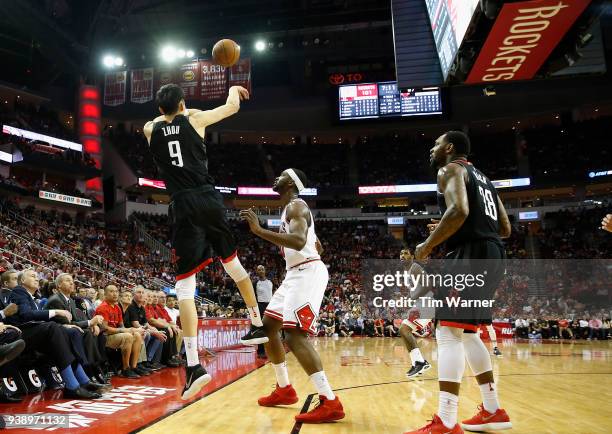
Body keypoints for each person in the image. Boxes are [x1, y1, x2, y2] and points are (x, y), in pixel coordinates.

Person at [143, 83, 267, 399]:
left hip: (181, 204)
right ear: (183, 104)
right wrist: (233, 91)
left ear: (160, 109)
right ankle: (256, 322)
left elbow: (162, 121)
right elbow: (232, 108)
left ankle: (195, 366)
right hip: (208, 199)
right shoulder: (194, 118)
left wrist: (170, 115)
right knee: (233, 264)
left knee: (185, 287)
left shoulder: (149, 129)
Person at [406, 131, 512, 433]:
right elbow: (503, 227)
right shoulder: (485, 179)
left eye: (436, 144)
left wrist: (427, 244)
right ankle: (493, 410)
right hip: (493, 253)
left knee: (448, 332)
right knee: (468, 333)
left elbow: (460, 210)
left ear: (449, 148)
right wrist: (448, 227)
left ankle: (446, 420)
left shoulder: (449, 169)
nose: (432, 149)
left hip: (469, 255)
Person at [241, 168, 345, 424]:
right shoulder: (292, 209)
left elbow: (299, 242)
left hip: (307, 272)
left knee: (295, 335)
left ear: (291, 182)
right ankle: (284, 389)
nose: (275, 178)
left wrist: (258, 230)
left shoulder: (296, 206)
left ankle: (330, 401)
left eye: (281, 175)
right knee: (268, 328)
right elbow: (314, 243)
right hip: (295, 273)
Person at [8, 269, 104, 399]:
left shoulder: (32, 297)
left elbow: (38, 320)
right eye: (32, 276)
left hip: (34, 332)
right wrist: (56, 312)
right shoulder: (19, 291)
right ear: (22, 281)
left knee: (68, 331)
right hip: (20, 333)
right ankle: (72, 385)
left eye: (37, 276)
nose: (36, 278)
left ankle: (83, 380)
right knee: (54, 327)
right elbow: (26, 315)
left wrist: (64, 325)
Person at [45, 274, 109, 385]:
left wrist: (91, 324)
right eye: (67, 280)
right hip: (58, 335)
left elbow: (76, 319)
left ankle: (95, 368)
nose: (71, 283)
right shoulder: (55, 300)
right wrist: (90, 322)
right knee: (87, 334)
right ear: (59, 285)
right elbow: (67, 324)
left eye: (72, 281)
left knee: (94, 334)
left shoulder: (70, 300)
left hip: (69, 331)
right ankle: (90, 370)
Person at [96, 285, 146, 379]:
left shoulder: (117, 307)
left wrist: (130, 330)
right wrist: (125, 330)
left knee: (137, 335)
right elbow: (104, 329)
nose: (115, 293)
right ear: (105, 294)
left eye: (116, 291)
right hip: (104, 337)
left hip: (115, 334)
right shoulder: (102, 307)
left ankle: (133, 366)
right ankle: (125, 369)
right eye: (111, 291)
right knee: (127, 336)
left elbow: (121, 325)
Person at [398, 248, 432, 379]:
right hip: (420, 304)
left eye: (406, 253)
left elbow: (428, 285)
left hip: (426, 304)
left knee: (405, 329)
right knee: (403, 330)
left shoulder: (415, 267)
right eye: (401, 253)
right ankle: (416, 363)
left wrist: (413, 298)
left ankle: (421, 362)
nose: (402, 255)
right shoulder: (407, 271)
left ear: (412, 256)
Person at [255, 265, 273, 356]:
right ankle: (261, 351)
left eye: (262, 269)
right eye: (259, 270)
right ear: (257, 272)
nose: (261, 271)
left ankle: (271, 350)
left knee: (271, 329)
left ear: (265, 270)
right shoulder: (255, 283)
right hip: (260, 306)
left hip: (270, 306)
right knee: (261, 329)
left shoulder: (271, 282)